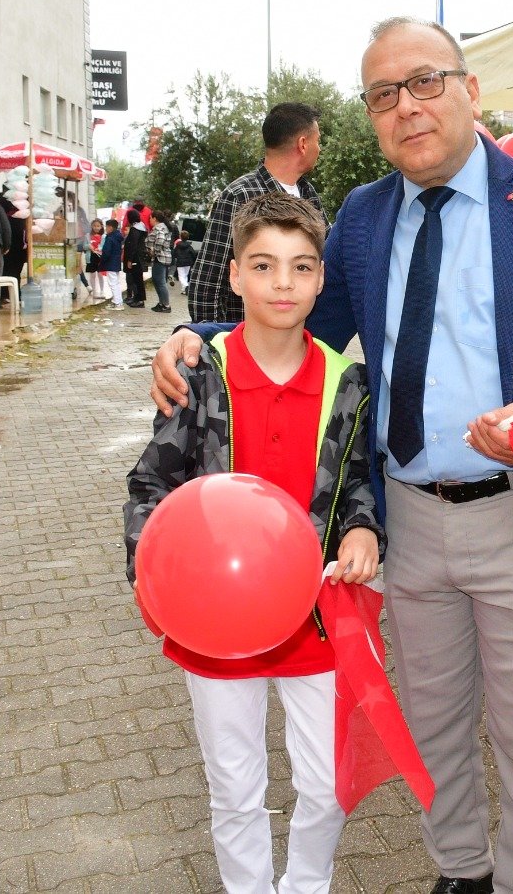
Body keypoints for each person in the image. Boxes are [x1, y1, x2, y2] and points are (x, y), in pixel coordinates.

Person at [152, 17, 513, 894]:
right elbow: (314, 329)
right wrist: (202, 337)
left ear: (469, 90)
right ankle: (460, 870)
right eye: (384, 94)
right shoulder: (365, 216)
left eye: (425, 82)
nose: (407, 107)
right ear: (372, 116)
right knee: (429, 727)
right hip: (406, 520)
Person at [125, 192, 382, 894]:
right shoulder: (197, 373)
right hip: (216, 628)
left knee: (328, 786)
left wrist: (363, 527)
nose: (282, 284)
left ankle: (304, 887)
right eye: (264, 266)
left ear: (322, 280)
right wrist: (156, 581)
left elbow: (359, 481)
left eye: (301, 268)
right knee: (235, 790)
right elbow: (151, 485)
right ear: (234, 275)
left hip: (317, 618)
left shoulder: (347, 382)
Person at [187, 103, 326, 324]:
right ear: (303, 144)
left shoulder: (309, 195)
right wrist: (213, 340)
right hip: (248, 343)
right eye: (318, 141)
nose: (320, 149)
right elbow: (208, 281)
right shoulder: (239, 196)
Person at [148, 209, 174, 313]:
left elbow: (160, 239)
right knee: (156, 280)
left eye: (150, 218)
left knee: (160, 282)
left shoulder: (159, 228)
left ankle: (166, 305)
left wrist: (155, 250)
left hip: (160, 257)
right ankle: (161, 303)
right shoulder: (163, 227)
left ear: (155, 218)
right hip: (162, 257)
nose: (149, 220)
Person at [123, 205, 148, 308]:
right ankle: (137, 298)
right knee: (138, 279)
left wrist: (129, 259)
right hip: (138, 257)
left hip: (135, 258)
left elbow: (133, 245)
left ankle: (139, 300)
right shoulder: (141, 227)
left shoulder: (135, 230)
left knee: (137, 280)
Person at [100, 218, 125, 309]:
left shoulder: (110, 238)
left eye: (106, 226)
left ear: (110, 227)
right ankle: (118, 301)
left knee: (112, 283)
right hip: (116, 262)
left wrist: (102, 259)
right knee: (116, 283)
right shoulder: (118, 237)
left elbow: (106, 251)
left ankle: (117, 303)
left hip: (110, 263)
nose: (106, 228)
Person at [174, 230, 197, 294]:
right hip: (188, 263)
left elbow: (174, 253)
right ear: (188, 237)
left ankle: (186, 286)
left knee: (181, 276)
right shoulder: (189, 246)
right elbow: (194, 254)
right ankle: (184, 290)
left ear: (180, 237)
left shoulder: (178, 246)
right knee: (185, 275)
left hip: (180, 262)